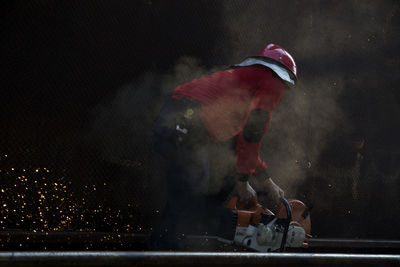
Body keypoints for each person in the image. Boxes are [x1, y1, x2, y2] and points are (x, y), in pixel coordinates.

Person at [150, 44, 298, 250]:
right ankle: (167, 253)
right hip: (184, 122)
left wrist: (266, 180)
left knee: (188, 196)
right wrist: (243, 181)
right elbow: (253, 132)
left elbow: (242, 145)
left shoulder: (246, 79)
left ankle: (168, 249)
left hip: (178, 120)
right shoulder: (272, 82)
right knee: (193, 190)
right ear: (284, 76)